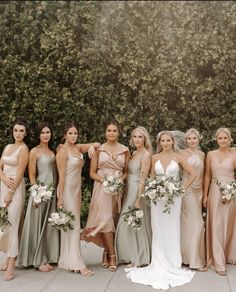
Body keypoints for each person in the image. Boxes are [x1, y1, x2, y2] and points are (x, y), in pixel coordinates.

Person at [127, 130, 195, 290]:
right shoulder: (155, 158)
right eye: (162, 141)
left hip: (173, 200)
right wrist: (152, 189)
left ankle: (172, 262)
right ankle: (158, 261)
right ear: (159, 143)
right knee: (157, 229)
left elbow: (193, 173)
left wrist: (181, 189)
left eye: (167, 140)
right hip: (157, 199)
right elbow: (150, 177)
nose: (165, 143)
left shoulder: (179, 158)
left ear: (172, 141)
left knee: (172, 229)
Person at [81, 119, 130, 272]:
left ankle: (105, 251)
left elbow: (127, 171)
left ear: (118, 132)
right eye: (109, 130)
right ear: (105, 132)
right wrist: (106, 181)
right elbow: (92, 173)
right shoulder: (99, 150)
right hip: (102, 188)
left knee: (113, 218)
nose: (111, 133)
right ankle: (112, 254)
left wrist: (118, 181)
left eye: (114, 130)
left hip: (117, 189)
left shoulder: (125, 150)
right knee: (105, 219)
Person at [56, 122, 100, 275]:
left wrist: (92, 148)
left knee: (72, 224)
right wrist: (60, 198)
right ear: (65, 135)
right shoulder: (62, 151)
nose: (73, 136)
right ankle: (77, 263)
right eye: (70, 133)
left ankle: (67, 259)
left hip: (76, 190)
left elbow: (96, 143)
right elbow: (61, 177)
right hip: (66, 190)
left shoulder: (77, 148)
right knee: (73, 225)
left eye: (75, 133)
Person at [17, 122, 59, 271]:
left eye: (48, 132)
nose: (46, 135)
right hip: (41, 192)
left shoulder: (53, 151)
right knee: (37, 225)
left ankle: (47, 256)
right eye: (43, 133)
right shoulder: (34, 151)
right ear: (38, 135)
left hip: (52, 192)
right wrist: (36, 194)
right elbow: (32, 174)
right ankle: (38, 260)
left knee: (47, 226)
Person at [115, 126, 152, 269]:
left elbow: (143, 178)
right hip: (129, 189)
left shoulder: (146, 155)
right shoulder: (134, 152)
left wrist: (138, 198)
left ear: (145, 139)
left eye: (140, 137)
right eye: (135, 137)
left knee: (133, 221)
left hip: (137, 190)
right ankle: (128, 255)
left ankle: (138, 257)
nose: (137, 139)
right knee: (128, 221)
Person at [203, 127, 236, 276]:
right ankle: (218, 262)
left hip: (231, 191)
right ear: (216, 139)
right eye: (220, 138)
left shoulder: (235, 154)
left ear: (230, 139)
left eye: (225, 138)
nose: (223, 141)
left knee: (228, 224)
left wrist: (232, 189)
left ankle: (229, 255)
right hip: (215, 192)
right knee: (216, 225)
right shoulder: (210, 154)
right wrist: (205, 195)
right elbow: (207, 176)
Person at [0, 118, 29, 280]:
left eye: (21, 131)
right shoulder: (7, 147)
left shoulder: (24, 149)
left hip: (15, 190)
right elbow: (0, 168)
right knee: (4, 224)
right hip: (3, 186)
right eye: (16, 130)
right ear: (12, 131)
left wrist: (11, 192)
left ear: (25, 133)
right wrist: (3, 179)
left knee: (12, 225)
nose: (18, 133)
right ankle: (7, 258)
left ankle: (11, 266)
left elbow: (20, 174)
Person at [180, 128, 206, 271]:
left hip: (199, 191)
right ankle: (195, 261)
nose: (192, 141)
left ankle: (186, 257)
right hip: (187, 189)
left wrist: (204, 194)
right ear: (186, 141)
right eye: (189, 138)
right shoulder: (181, 153)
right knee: (196, 222)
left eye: (194, 138)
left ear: (198, 139)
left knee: (189, 223)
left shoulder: (202, 154)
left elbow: (203, 174)